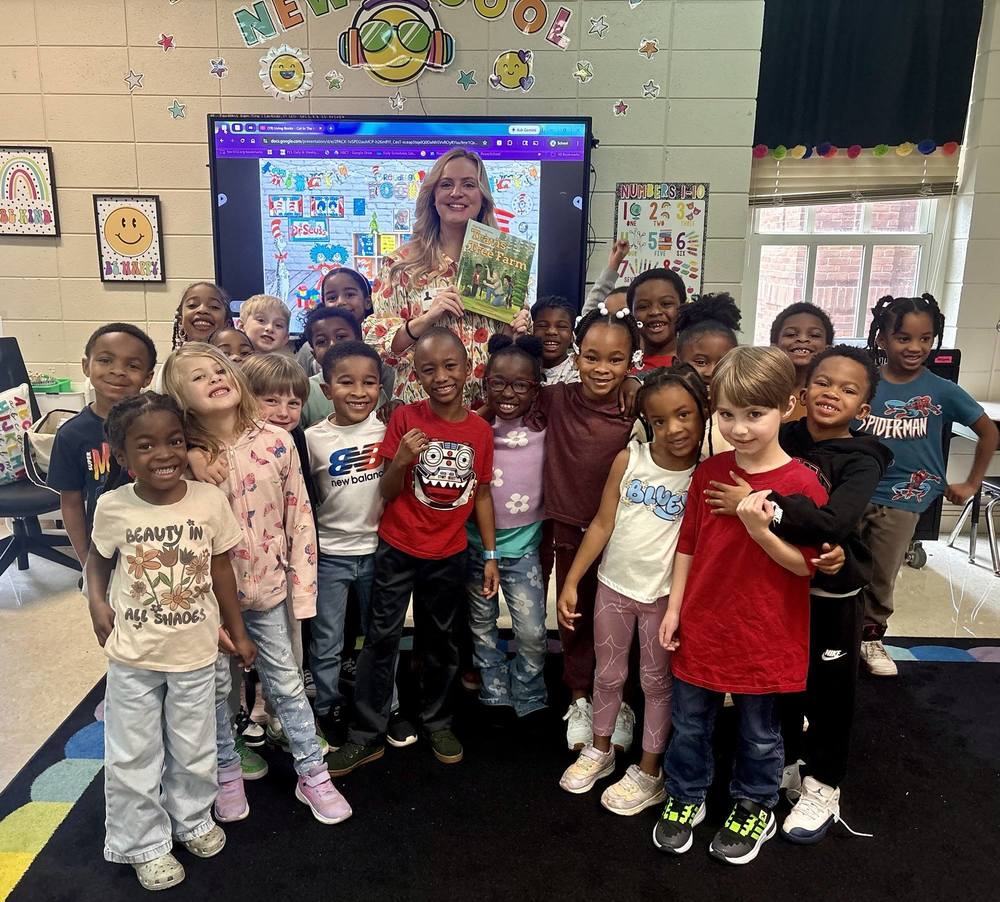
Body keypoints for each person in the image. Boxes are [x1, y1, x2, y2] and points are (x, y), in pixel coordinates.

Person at [705, 345, 891, 842]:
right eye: (825, 383)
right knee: (783, 682)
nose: (833, 394)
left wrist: (756, 505)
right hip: (779, 588)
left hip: (832, 592)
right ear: (800, 396)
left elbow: (835, 523)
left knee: (830, 693)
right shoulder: (780, 433)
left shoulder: (863, 460)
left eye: (849, 390)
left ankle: (825, 783)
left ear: (864, 409)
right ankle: (786, 761)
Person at [161, 343, 351, 826]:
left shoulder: (276, 441)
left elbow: (299, 518)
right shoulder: (179, 456)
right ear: (179, 398)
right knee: (218, 690)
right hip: (206, 603)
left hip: (268, 593)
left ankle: (313, 772)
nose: (214, 377)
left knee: (286, 684)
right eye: (197, 377)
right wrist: (191, 459)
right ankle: (226, 770)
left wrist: (303, 589)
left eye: (219, 369)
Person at [653, 346, 827, 866]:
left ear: (788, 407)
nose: (740, 428)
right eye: (727, 414)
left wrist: (760, 528)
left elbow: (805, 567)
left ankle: (756, 804)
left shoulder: (803, 483)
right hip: (704, 623)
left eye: (755, 414)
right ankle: (686, 794)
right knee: (689, 721)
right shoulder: (710, 473)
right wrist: (674, 609)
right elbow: (688, 544)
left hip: (767, 631)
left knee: (759, 732)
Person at [85, 392, 256, 892]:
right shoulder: (113, 506)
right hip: (134, 656)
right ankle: (142, 841)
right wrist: (97, 604)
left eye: (174, 441)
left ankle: (192, 817)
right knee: (133, 750)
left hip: (195, 653)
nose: (164, 453)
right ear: (122, 457)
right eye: (146, 445)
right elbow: (97, 561)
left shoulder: (208, 500)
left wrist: (238, 631)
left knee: (193, 744)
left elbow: (221, 567)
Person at [326, 328, 498, 776]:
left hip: (449, 553)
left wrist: (492, 554)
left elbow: (480, 494)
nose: (441, 376)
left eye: (450, 366)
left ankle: (437, 720)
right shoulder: (404, 416)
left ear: (468, 368)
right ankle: (367, 733)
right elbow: (386, 489)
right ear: (416, 375)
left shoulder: (480, 430)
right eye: (428, 369)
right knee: (380, 639)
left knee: (440, 641)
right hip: (398, 548)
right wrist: (401, 458)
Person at [557, 364, 706, 815]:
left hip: (664, 598)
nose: (673, 429)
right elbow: (603, 522)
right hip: (612, 588)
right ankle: (600, 750)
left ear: (703, 412)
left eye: (683, 415)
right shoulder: (631, 459)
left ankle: (649, 771)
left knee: (656, 683)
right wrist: (571, 580)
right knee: (608, 674)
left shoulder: (706, 474)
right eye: (659, 421)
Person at [856, 294, 998, 676]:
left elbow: (988, 433)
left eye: (926, 338)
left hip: (906, 498)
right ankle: (829, 636)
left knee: (882, 574)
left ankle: (871, 637)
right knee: (839, 569)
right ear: (882, 338)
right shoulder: (861, 383)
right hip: (853, 494)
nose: (916, 347)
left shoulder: (942, 390)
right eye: (903, 338)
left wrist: (971, 482)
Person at [305, 340, 417, 750]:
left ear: (381, 389)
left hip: (381, 552)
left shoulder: (391, 430)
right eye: (346, 382)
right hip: (330, 556)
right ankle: (328, 707)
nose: (358, 391)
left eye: (369, 382)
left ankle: (388, 706)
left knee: (381, 637)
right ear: (325, 388)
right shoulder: (312, 439)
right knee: (328, 640)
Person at [541, 305, 641, 751]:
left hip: (625, 533)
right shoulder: (557, 399)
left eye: (616, 360)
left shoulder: (635, 407)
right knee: (575, 616)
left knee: (619, 622)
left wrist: (640, 386)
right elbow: (509, 393)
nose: (603, 369)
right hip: (569, 529)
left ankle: (616, 701)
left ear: (630, 362)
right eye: (592, 357)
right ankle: (580, 698)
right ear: (576, 355)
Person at [363, 148, 530, 409]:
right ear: (433, 196)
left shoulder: (504, 262)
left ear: (482, 197)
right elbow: (381, 347)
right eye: (446, 184)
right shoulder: (400, 265)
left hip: (487, 412)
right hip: (422, 413)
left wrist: (516, 330)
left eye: (468, 184)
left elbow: (513, 354)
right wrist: (427, 318)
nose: (456, 193)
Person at [467, 335, 548, 718]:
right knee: (482, 625)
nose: (509, 392)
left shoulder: (546, 426)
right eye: (498, 382)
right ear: (485, 384)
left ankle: (529, 688)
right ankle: (493, 686)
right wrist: (482, 411)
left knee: (531, 630)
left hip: (524, 548)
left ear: (536, 388)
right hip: (475, 544)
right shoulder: (475, 426)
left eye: (521, 384)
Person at [47, 323, 156, 570]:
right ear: (86, 366)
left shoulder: (160, 423)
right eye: (106, 360)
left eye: (133, 365)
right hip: (108, 551)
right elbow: (72, 503)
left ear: (148, 377)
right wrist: (87, 561)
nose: (118, 371)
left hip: (162, 542)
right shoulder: (71, 434)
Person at [675, 293, 742, 456]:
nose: (712, 372)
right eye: (700, 362)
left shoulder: (743, 418)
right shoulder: (658, 407)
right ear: (677, 364)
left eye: (722, 362)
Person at [295, 267, 374, 377]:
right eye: (332, 298)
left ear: (368, 302)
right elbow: (297, 389)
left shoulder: (382, 345)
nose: (341, 302)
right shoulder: (308, 349)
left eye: (350, 295)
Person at [770, 302, 834, 422]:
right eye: (791, 334)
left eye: (814, 335)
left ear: (828, 348)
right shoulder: (758, 390)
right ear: (774, 346)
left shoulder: (832, 399)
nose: (803, 339)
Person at [626, 267, 688, 371]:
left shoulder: (695, 366)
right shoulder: (623, 368)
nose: (654, 312)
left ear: (683, 307)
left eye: (666, 304)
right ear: (631, 314)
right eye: (643, 306)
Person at [170, 282, 233, 350]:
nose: (202, 310)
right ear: (180, 321)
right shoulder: (174, 360)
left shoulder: (236, 359)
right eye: (192, 305)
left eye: (214, 306)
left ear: (227, 324)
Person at [532, 295, 579, 385]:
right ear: (532, 330)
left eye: (561, 326)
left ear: (572, 335)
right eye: (542, 325)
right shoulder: (522, 367)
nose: (551, 331)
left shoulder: (580, 374)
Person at [581, 238, 631, 315]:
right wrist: (614, 263)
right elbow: (589, 314)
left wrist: (614, 264)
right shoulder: (596, 325)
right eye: (607, 314)